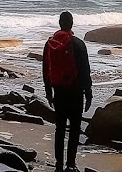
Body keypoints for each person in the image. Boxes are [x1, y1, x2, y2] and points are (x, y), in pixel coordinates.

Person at [43, 11, 93, 172]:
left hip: (58, 91)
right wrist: (88, 92)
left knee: (60, 128)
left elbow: (46, 69)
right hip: (76, 91)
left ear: (59, 23)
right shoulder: (78, 44)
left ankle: (58, 164)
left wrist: (48, 91)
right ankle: (70, 164)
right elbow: (85, 71)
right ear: (72, 24)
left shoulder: (50, 44)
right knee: (74, 128)